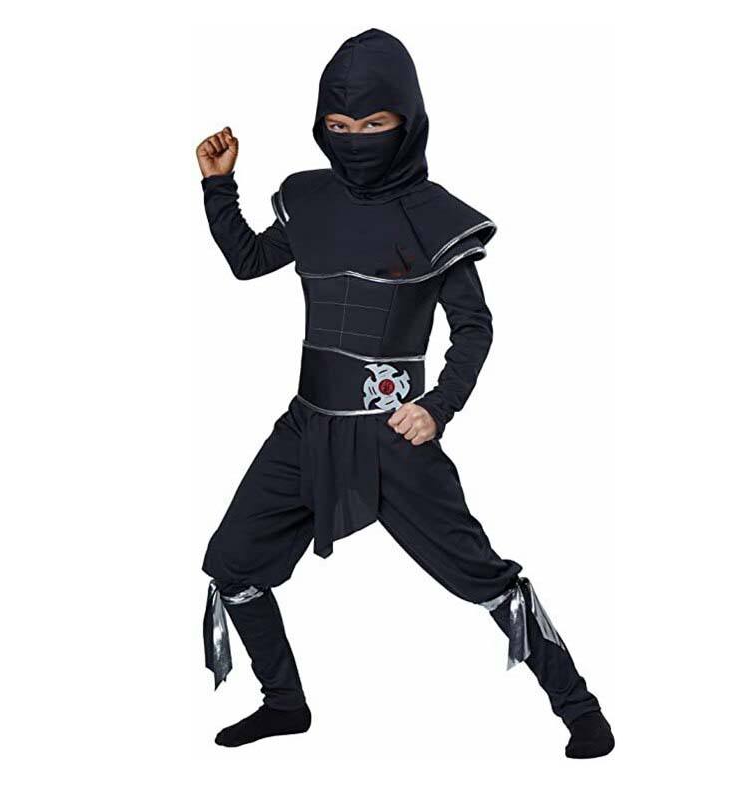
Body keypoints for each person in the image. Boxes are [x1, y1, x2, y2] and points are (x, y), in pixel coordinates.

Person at [196, 28, 614, 759]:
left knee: (482, 576)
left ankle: (581, 711)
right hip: (306, 429)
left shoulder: (436, 216)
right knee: (232, 565)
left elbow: (475, 328)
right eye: (339, 124)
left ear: (408, 121)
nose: (355, 139)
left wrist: (437, 407)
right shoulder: (308, 198)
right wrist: (217, 185)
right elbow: (250, 260)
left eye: (373, 124)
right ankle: (284, 703)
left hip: (395, 438)